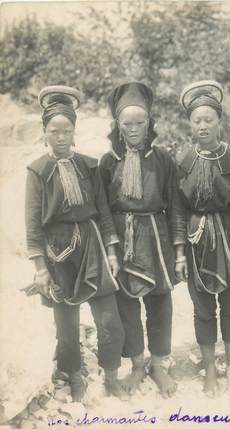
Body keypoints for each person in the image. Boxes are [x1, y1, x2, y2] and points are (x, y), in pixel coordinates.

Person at [24, 85, 127, 402]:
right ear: (45, 131)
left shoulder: (90, 165)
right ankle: (74, 376)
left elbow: (104, 210)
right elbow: (32, 223)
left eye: (66, 130)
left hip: (93, 246)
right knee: (66, 325)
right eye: (54, 130)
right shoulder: (37, 171)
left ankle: (111, 376)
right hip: (58, 253)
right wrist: (40, 268)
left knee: (109, 318)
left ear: (74, 131)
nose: (60, 136)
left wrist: (111, 250)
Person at [99, 82, 185, 398]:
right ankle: (137, 364)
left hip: (156, 235)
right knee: (127, 304)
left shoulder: (162, 159)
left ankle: (159, 365)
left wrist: (179, 251)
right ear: (117, 126)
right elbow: (103, 211)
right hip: (123, 239)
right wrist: (111, 247)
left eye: (140, 123)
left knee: (160, 300)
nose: (133, 129)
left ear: (149, 124)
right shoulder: (107, 162)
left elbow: (176, 206)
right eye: (127, 124)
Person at [176, 80, 230, 397]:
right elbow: (178, 211)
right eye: (196, 120)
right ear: (190, 123)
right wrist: (180, 253)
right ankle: (211, 367)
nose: (202, 126)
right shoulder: (183, 162)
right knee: (202, 308)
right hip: (197, 244)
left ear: (219, 123)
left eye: (208, 120)